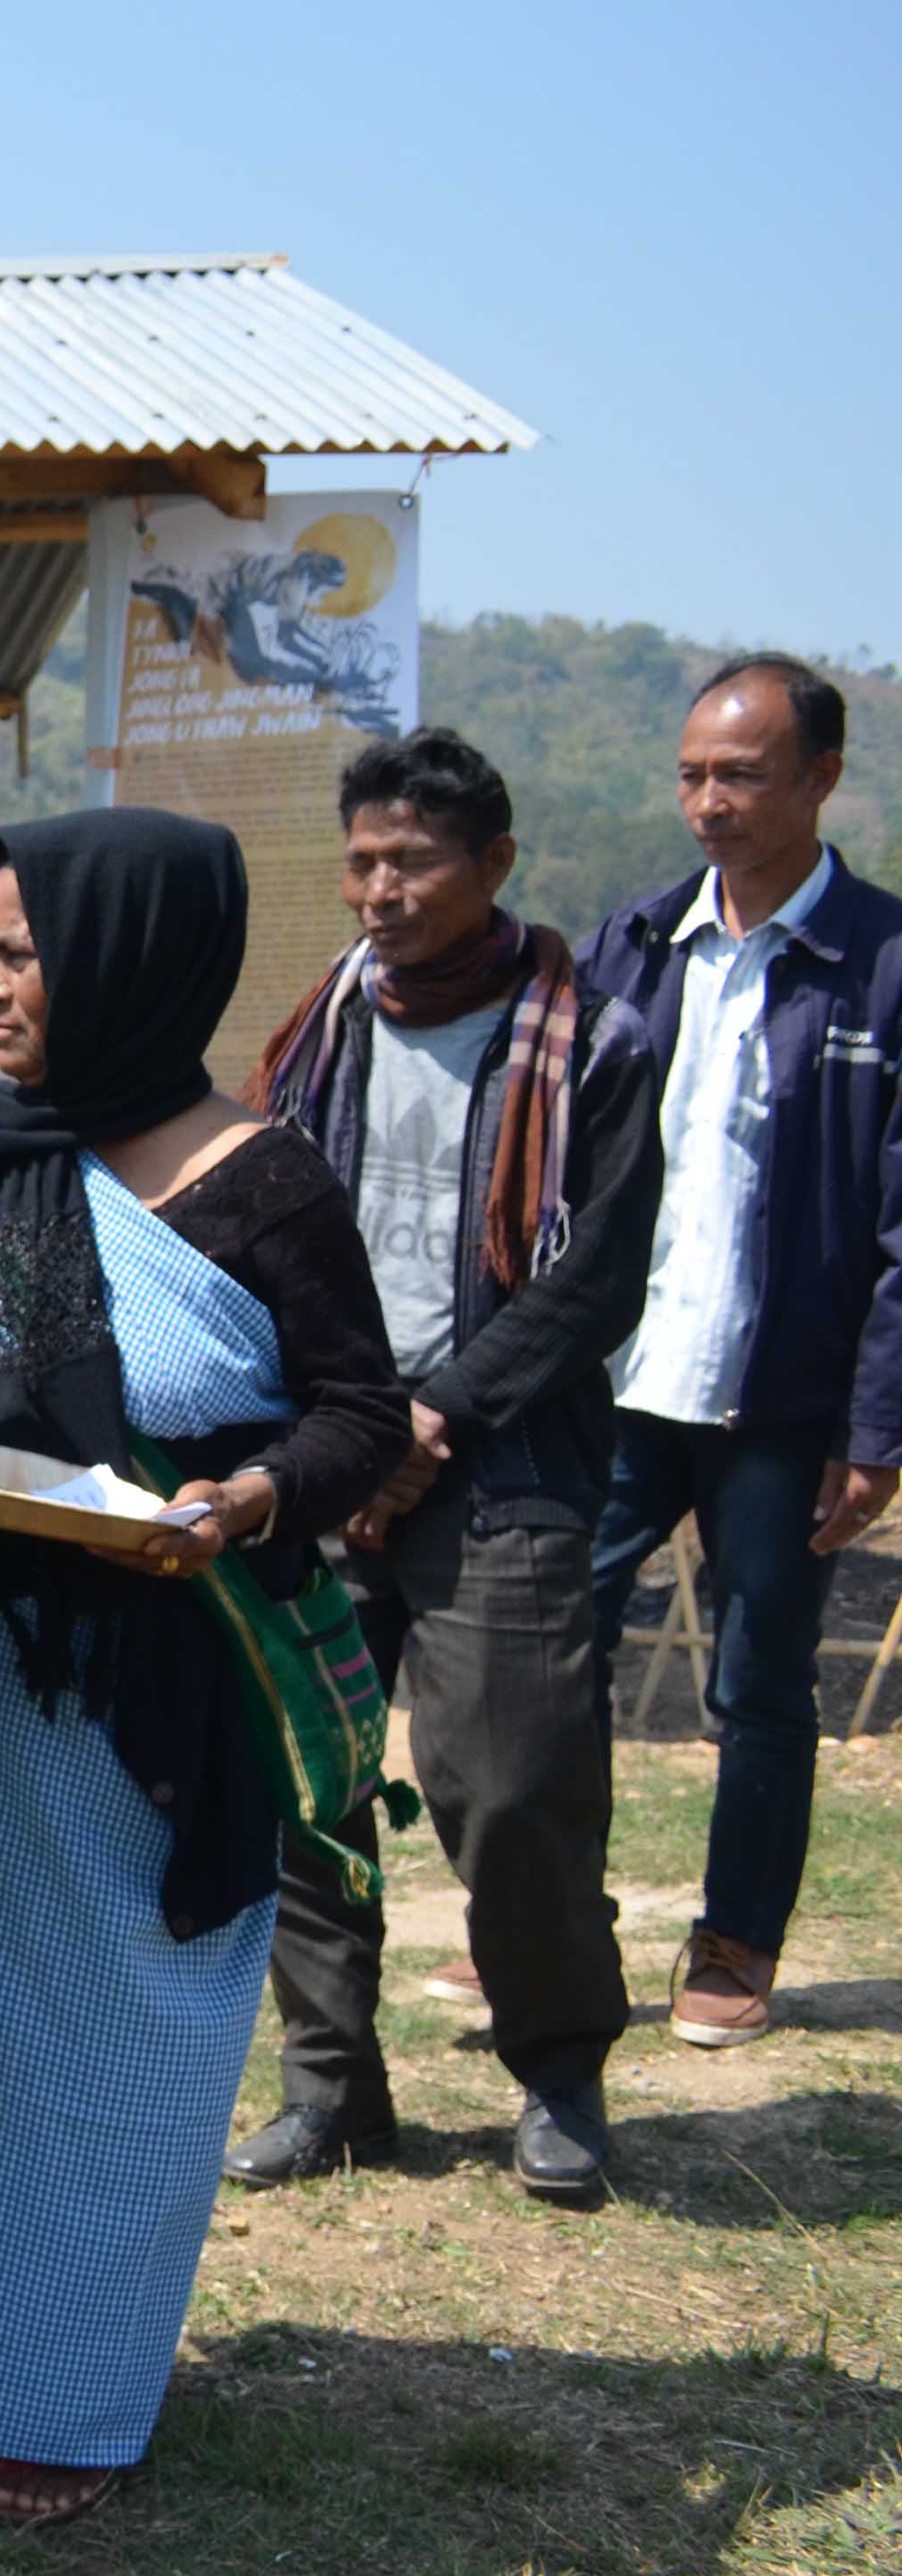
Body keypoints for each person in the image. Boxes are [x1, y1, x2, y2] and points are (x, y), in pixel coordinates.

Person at [0, 809, 411, 2529]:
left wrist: (255, 1491)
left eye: (18, 955)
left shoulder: (258, 1179)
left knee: (96, 2041)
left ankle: (50, 2396)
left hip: (142, 1683)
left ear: (128, 956)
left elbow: (357, 1409)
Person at [232, 728, 660, 2206]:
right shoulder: (315, 1031)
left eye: (408, 859)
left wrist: (432, 1418)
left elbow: (596, 1279)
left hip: (504, 1459)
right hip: (321, 1443)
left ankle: (555, 2069)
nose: (377, 889)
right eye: (358, 860)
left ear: (491, 864)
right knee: (304, 1767)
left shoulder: (590, 1038)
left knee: (516, 1779)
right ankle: (330, 2089)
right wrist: (331, 1425)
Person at [578, 657, 902, 2052]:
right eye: (694, 776)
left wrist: (877, 1428)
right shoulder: (636, 944)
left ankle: (735, 1942)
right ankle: (548, 1917)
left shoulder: (886, 966)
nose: (709, 804)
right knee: (546, 1645)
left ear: (821, 779)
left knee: (761, 1683)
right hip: (620, 1382)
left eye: (743, 775)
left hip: (785, 1399)